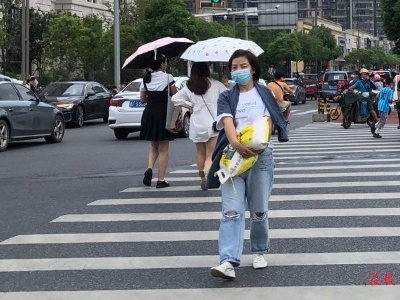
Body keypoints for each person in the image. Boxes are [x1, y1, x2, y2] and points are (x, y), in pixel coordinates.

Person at [207, 49, 288, 280]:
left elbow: (271, 120)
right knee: (231, 211)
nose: (238, 71)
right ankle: (228, 261)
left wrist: (262, 140)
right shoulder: (227, 96)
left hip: (261, 157)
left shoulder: (265, 92)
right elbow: (226, 121)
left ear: (252, 68)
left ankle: (259, 250)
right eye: (234, 67)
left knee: (259, 209)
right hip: (233, 157)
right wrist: (235, 142)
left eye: (243, 66)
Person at [171, 62, 227, 191]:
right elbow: (227, 96)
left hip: (196, 123)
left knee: (201, 153)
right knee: (211, 154)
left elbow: (175, 99)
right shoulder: (216, 84)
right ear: (207, 70)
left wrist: (188, 105)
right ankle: (206, 173)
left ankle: (201, 175)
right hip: (212, 123)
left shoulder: (189, 86)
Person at [139, 53, 177, 189]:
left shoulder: (145, 79)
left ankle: (149, 169)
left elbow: (142, 99)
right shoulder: (168, 77)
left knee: (153, 146)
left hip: (149, 113)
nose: (166, 63)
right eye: (166, 61)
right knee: (164, 148)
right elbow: (175, 95)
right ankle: (161, 180)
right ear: (162, 64)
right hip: (163, 114)